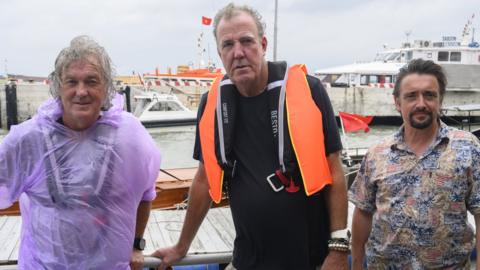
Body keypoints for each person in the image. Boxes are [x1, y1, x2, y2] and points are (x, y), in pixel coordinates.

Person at [152, 3, 349, 270]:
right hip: (247, 259)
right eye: (228, 45)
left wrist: (338, 250)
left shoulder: (309, 92)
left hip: (309, 259)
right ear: (220, 53)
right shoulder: (213, 104)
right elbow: (204, 180)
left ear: (263, 44)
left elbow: (334, 172)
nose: (238, 53)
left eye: (246, 41)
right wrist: (181, 246)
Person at [0, 36, 161, 270]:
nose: (81, 91)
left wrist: (137, 245)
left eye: (91, 81)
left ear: (106, 87)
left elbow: (147, 193)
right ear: (58, 86)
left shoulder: (129, 135)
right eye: (71, 82)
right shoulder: (28, 140)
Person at [349, 58, 480, 269]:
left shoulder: (468, 148)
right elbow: (363, 211)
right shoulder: (377, 153)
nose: (421, 103)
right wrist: (355, 265)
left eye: (429, 95)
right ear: (398, 102)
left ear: (440, 99)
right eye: (411, 96)